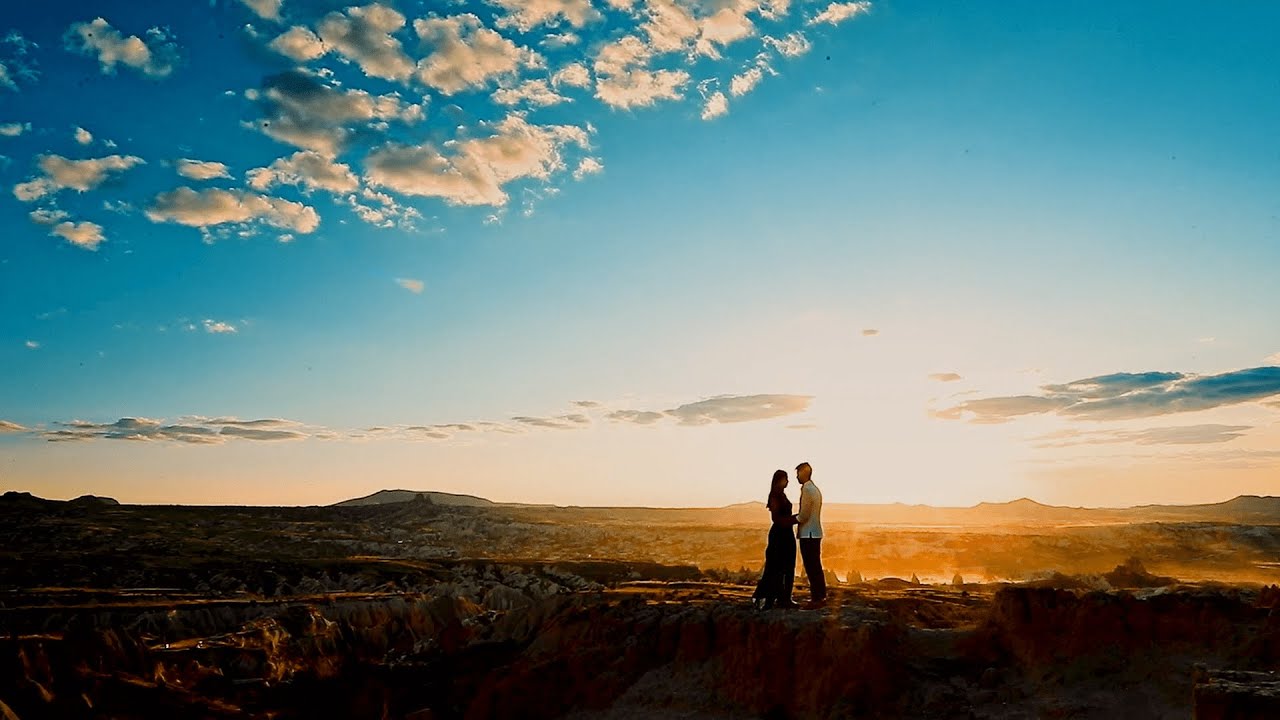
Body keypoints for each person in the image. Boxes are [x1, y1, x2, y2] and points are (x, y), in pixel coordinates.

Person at [752, 470, 798, 610]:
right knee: (776, 567)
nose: (788, 482)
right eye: (786, 479)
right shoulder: (775, 495)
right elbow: (776, 519)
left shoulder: (781, 495)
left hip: (786, 533)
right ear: (779, 480)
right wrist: (795, 519)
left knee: (787, 567)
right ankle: (772, 598)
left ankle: (784, 598)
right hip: (780, 535)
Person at [794, 461, 826, 607]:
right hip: (815, 532)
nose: (797, 477)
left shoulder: (807, 490)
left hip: (809, 533)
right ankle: (820, 596)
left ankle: (816, 598)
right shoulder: (815, 489)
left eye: (798, 473)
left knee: (811, 566)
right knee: (816, 566)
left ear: (804, 473)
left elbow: (804, 515)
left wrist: (792, 520)